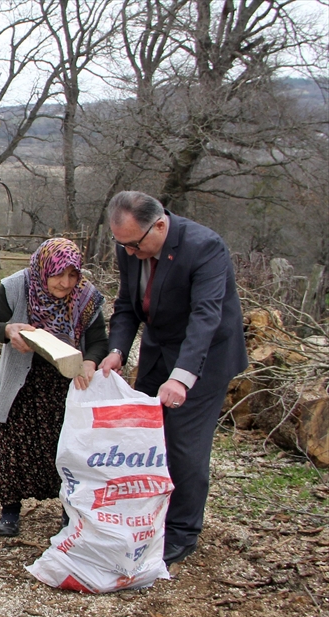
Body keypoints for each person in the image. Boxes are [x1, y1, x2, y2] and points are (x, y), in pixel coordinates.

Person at [99, 191, 247, 565]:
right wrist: (116, 351)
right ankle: (150, 515)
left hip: (204, 357)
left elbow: (206, 317)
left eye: (135, 244)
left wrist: (181, 378)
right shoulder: (129, 247)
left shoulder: (205, 247)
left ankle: (182, 531)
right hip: (157, 350)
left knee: (184, 444)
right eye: (123, 246)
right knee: (146, 436)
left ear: (160, 224)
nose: (130, 253)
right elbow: (127, 306)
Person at [0, 238, 108, 537]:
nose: (66, 283)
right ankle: (10, 511)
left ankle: (69, 511)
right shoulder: (19, 286)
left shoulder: (86, 297)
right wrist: (7, 330)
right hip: (22, 382)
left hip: (64, 385)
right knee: (11, 447)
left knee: (65, 448)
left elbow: (98, 341)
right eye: (59, 274)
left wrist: (91, 362)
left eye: (72, 275)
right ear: (45, 269)